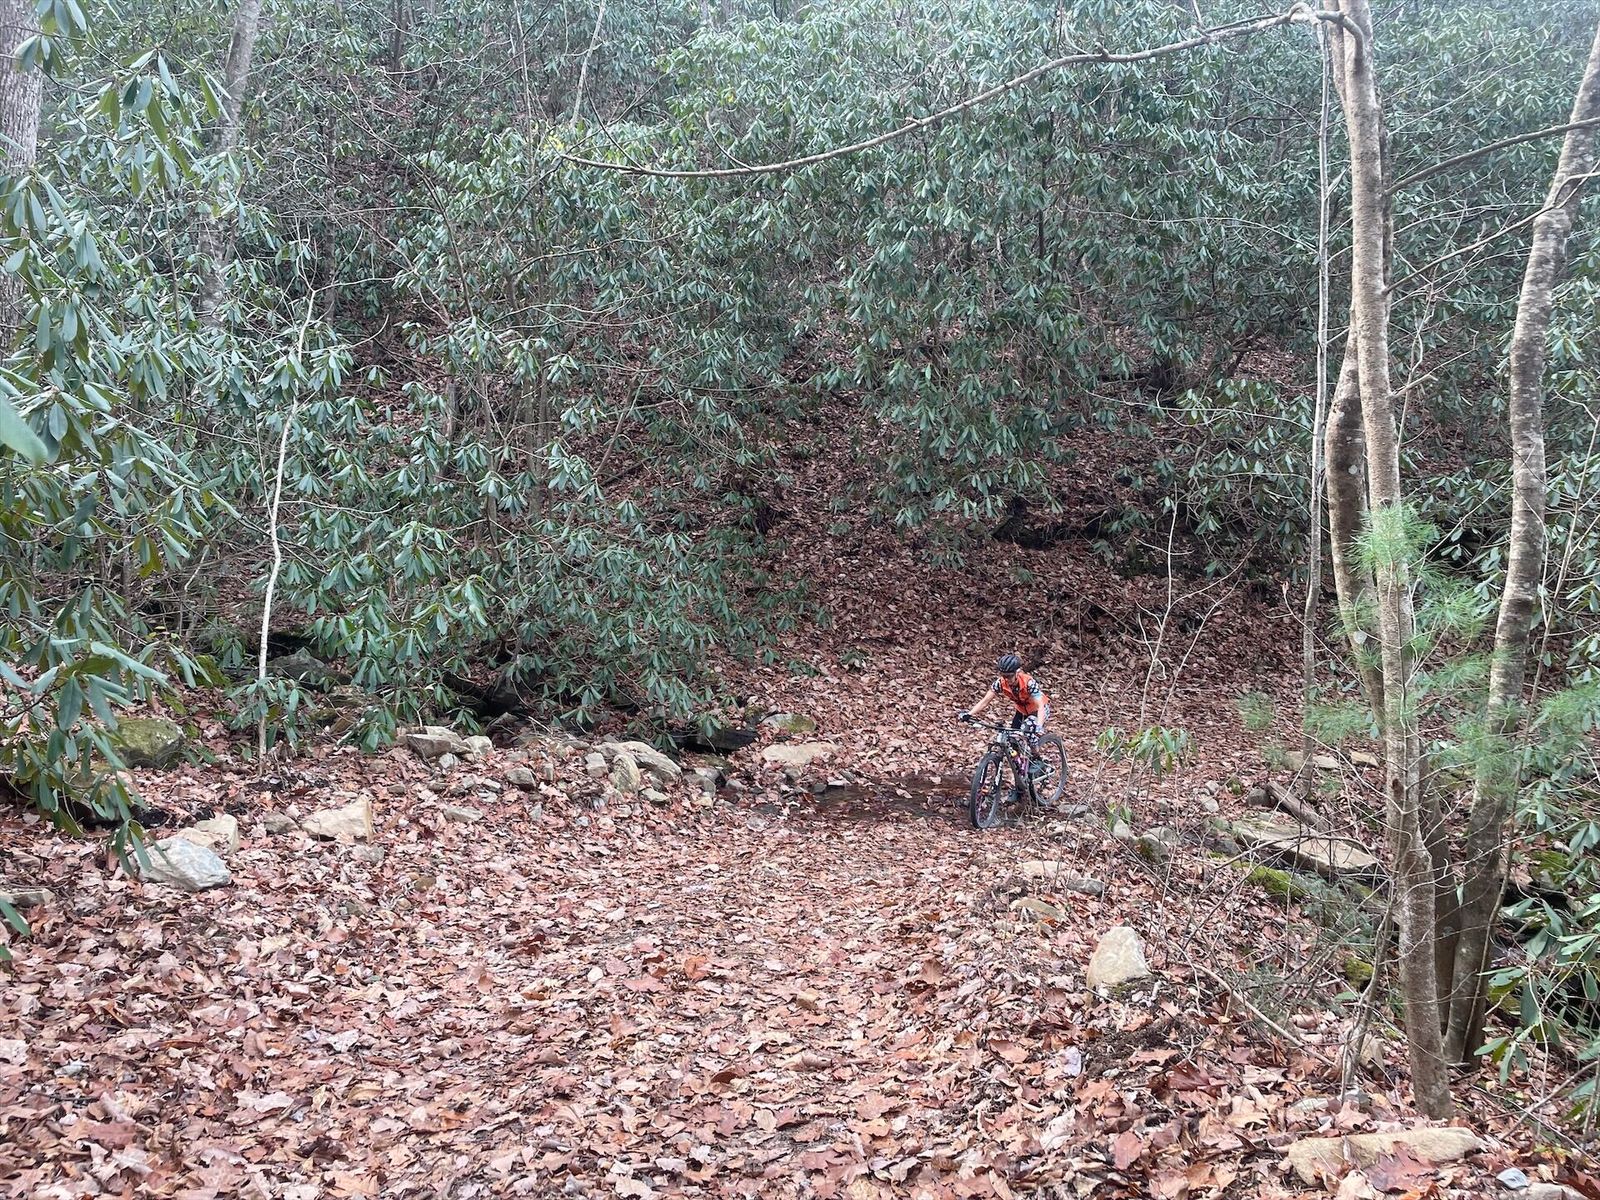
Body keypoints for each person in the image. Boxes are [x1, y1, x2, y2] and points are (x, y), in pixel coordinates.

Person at [962, 653, 1051, 770]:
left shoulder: (1029, 683)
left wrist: (1039, 726)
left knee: (1028, 730)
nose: (1006, 679)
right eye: (1003, 676)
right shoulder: (1000, 683)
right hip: (1021, 711)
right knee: (1012, 739)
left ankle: (1037, 759)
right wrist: (969, 714)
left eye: (1009, 676)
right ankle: (1021, 771)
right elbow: (985, 701)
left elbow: (1040, 705)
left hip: (1038, 710)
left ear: (1017, 673)